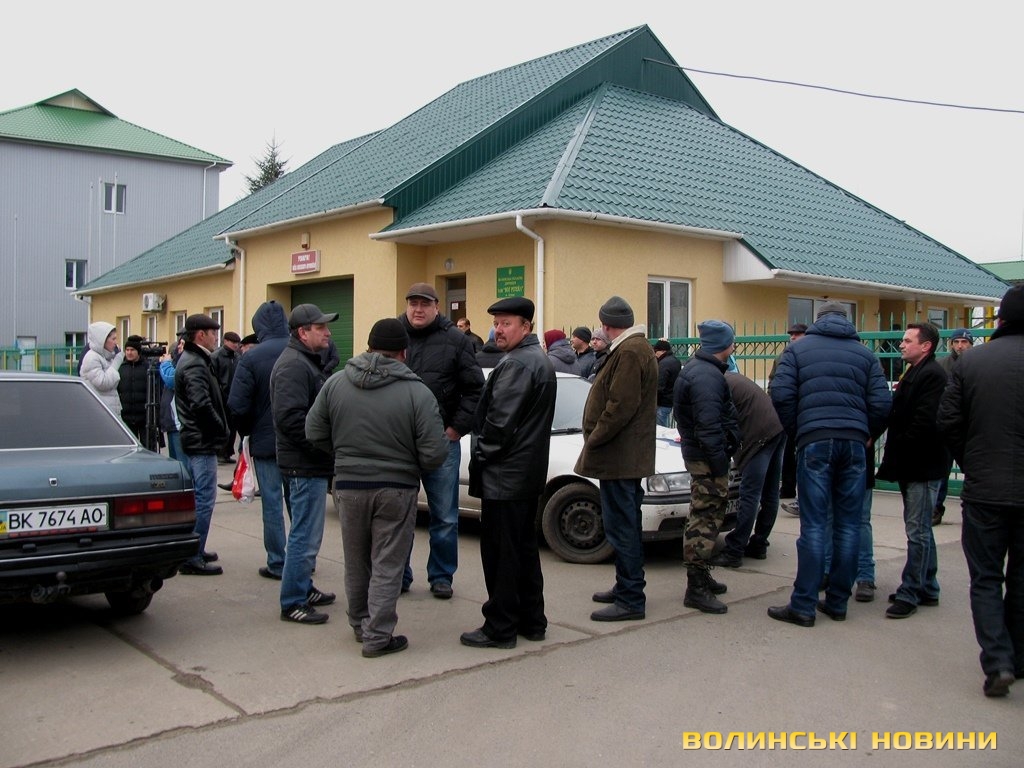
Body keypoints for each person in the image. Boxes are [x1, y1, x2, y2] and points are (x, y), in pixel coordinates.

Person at [306, 318, 448, 657]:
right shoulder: (417, 392)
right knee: (387, 563)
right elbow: (435, 452)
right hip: (396, 487)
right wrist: (411, 463)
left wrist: (343, 455)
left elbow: (313, 431)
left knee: (356, 560)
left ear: (368, 347)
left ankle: (360, 624)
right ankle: (378, 635)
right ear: (404, 352)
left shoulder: (337, 383)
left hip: (348, 484)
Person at [768, 302, 891, 627]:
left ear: (817, 321)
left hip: (815, 440)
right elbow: (882, 403)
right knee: (849, 525)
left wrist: (800, 431)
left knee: (814, 525)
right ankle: (837, 602)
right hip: (854, 443)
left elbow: (780, 393)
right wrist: (866, 433)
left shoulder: (797, 350)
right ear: (847, 322)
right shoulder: (866, 355)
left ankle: (803, 605)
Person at [937, 284, 1024, 697]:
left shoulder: (971, 362)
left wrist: (971, 461)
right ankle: (1016, 658)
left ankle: (998, 660)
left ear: (1000, 319)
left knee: (986, 578)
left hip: (985, 489)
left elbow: (948, 421)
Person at [461, 297, 557, 649]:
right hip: (523, 475)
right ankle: (532, 620)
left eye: (506, 323)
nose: (498, 330)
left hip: (505, 477)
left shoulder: (517, 363)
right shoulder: (534, 359)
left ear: (525, 327)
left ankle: (500, 627)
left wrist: (480, 456)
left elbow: (499, 426)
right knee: (522, 551)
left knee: (502, 554)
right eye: (496, 324)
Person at [399, 282, 484, 599]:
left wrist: (456, 429)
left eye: (425, 304)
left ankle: (441, 576)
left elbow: (475, 389)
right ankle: (399, 574)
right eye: (413, 303)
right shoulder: (394, 334)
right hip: (400, 443)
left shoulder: (456, 340)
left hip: (442, 442)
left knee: (445, 515)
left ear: (437, 307)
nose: (418, 309)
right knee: (399, 515)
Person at [576, 296, 658, 622]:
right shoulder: (634, 348)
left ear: (606, 325)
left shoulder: (629, 351)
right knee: (626, 524)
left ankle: (630, 598)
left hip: (620, 457)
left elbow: (620, 405)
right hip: (624, 457)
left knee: (622, 527)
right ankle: (626, 586)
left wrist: (595, 438)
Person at [271, 304, 338, 624]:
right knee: (304, 536)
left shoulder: (305, 362)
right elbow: (291, 420)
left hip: (308, 463)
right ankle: (293, 601)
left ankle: (303, 587)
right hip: (304, 464)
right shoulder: (294, 366)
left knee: (307, 533)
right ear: (302, 332)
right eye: (320, 327)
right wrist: (324, 448)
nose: (327, 333)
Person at [876, 322, 947, 619]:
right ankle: (928, 586)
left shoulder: (933, 376)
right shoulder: (916, 372)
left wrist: (901, 446)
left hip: (922, 465)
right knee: (920, 528)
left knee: (917, 530)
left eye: (907, 340)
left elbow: (924, 423)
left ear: (925, 346)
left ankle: (911, 592)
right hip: (914, 464)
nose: (901, 345)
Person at [674, 320, 740, 614]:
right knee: (704, 518)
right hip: (707, 458)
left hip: (703, 455)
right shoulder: (706, 376)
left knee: (707, 514)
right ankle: (696, 587)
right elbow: (709, 426)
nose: (734, 345)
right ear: (723, 344)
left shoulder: (701, 370)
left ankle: (701, 576)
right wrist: (719, 463)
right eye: (732, 340)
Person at [228, 301, 292, 581]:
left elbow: (237, 405)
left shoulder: (251, 358)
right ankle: (302, 560)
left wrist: (247, 433)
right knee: (298, 502)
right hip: (298, 442)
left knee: (272, 503)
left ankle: (278, 562)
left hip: (265, 443)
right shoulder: (301, 351)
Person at [174, 314, 230, 575]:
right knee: (204, 499)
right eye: (213, 332)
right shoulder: (194, 363)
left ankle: (196, 547)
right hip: (201, 441)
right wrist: (221, 429)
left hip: (196, 438)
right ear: (200, 335)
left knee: (200, 497)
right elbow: (201, 405)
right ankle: (192, 555)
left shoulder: (195, 359)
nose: (216, 337)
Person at [711, 370, 785, 567]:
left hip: (758, 435)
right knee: (770, 492)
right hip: (776, 427)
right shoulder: (729, 378)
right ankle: (759, 543)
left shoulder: (714, 384)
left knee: (750, 494)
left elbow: (719, 422)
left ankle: (734, 550)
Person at [933, 327, 974, 525]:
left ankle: (972, 508)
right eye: (956, 342)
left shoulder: (977, 364)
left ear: (971, 344)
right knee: (942, 470)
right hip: (947, 426)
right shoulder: (941, 365)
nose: (960, 346)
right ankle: (936, 508)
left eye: (964, 342)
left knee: (974, 470)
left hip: (971, 427)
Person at [769, 323, 807, 509]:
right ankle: (787, 487)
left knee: (803, 455)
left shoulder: (809, 355)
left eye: (797, 334)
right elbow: (774, 382)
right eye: (791, 334)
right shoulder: (782, 357)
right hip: (788, 413)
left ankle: (802, 495)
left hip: (805, 412)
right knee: (788, 453)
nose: (793, 337)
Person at [80, 321, 124, 415]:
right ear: (102, 340)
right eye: (113, 339)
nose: (116, 343)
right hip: (98, 412)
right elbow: (102, 383)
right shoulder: (92, 357)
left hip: (108, 410)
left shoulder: (107, 357)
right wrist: (117, 362)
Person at [211, 331, 242, 463]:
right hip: (221, 397)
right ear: (225, 341)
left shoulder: (237, 357)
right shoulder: (216, 356)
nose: (236, 345)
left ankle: (227, 452)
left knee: (232, 426)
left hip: (233, 396)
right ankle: (219, 453)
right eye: (233, 342)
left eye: (237, 343)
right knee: (222, 426)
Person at [159, 334, 188, 471]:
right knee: (176, 465)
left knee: (183, 466)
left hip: (180, 424)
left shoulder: (187, 362)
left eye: (182, 343)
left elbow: (171, 380)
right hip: (173, 423)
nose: (179, 346)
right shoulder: (179, 361)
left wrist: (165, 363)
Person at [117, 335, 150, 441]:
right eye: (127, 350)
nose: (129, 352)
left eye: (132, 350)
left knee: (147, 447)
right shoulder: (121, 368)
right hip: (126, 417)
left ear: (138, 351)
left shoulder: (147, 367)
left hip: (145, 418)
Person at [653, 339, 681, 427]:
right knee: (665, 426)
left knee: (660, 428)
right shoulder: (675, 361)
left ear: (662, 351)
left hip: (662, 402)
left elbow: (659, 385)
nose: (655, 354)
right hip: (671, 399)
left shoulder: (663, 364)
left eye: (656, 351)